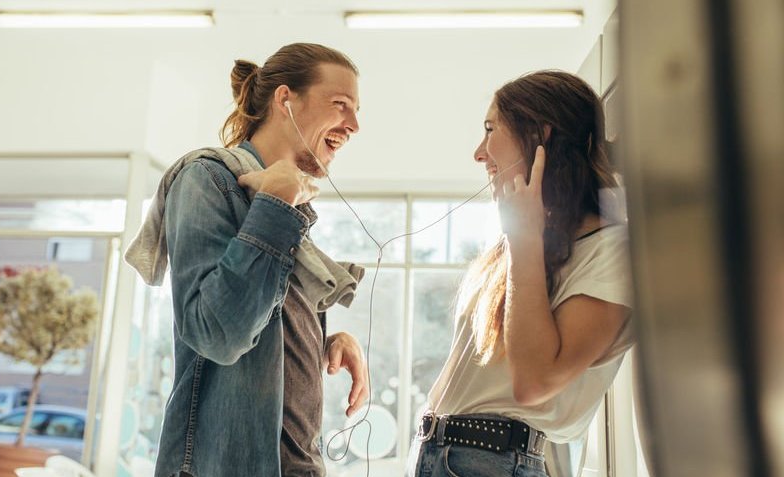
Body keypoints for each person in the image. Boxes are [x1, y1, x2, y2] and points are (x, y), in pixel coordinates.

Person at [125, 43, 370, 477]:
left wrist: (322, 341)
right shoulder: (208, 180)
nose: (354, 125)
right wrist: (275, 206)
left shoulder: (286, 205)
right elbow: (216, 333)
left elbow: (262, 322)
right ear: (285, 100)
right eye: (341, 106)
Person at [408, 70, 634, 477]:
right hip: (438, 454)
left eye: (490, 129)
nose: (479, 153)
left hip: (490, 460)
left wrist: (524, 240)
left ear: (540, 135)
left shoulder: (613, 251)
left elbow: (534, 382)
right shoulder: (526, 244)